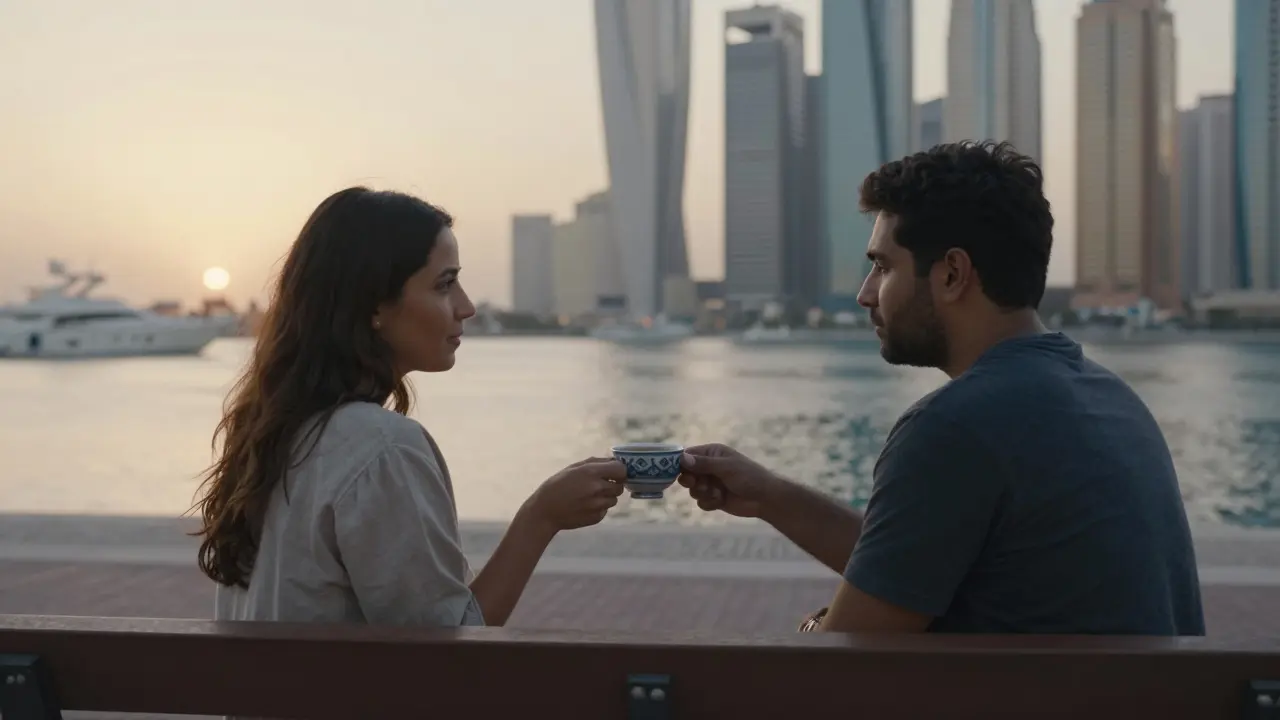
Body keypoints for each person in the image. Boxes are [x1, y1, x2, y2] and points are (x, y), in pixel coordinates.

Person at [680, 141, 1205, 636]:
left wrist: (817, 628)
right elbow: (911, 563)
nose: (866, 295)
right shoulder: (1110, 398)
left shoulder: (954, 426)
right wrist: (770, 496)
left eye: (883, 267)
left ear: (953, 273)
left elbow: (843, 667)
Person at [194, 187, 626, 628]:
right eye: (444, 284)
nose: (466, 307)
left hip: (265, 695)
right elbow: (447, 649)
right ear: (374, 307)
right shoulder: (381, 448)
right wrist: (541, 516)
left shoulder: (273, 431)